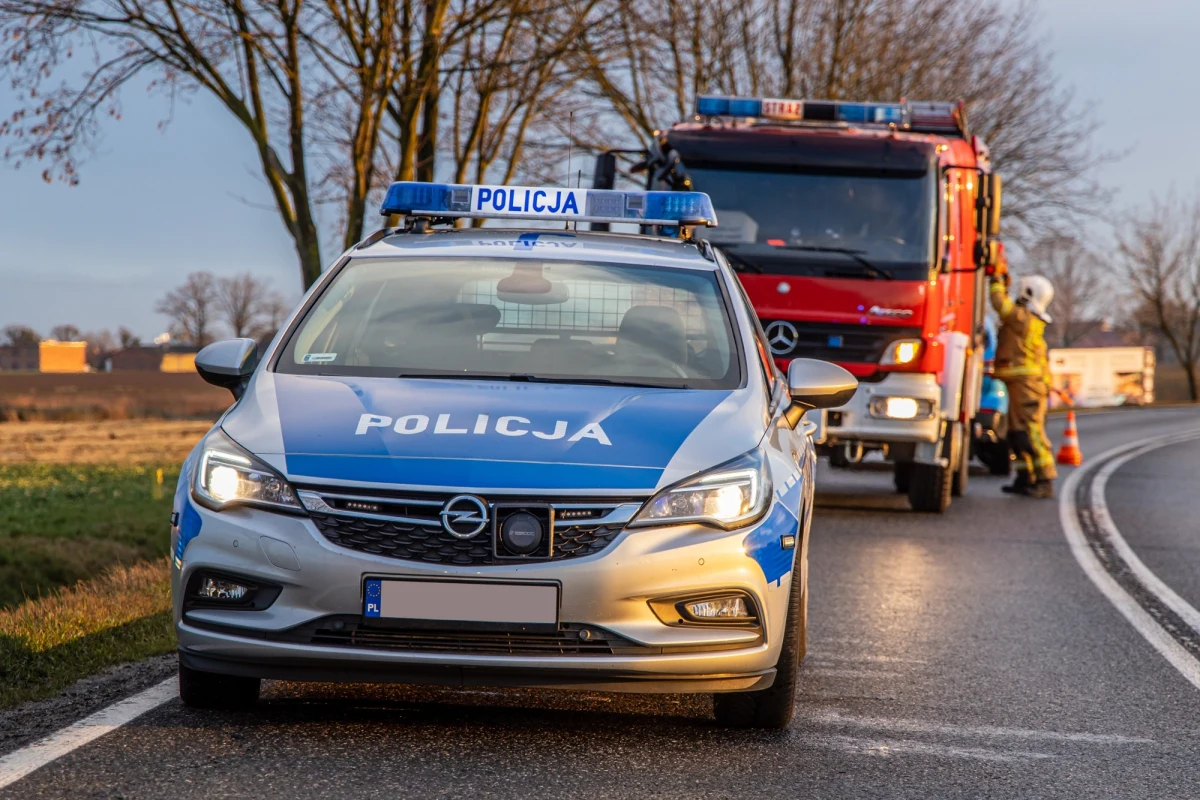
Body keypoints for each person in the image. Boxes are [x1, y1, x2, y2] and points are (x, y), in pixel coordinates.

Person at [990, 247, 1057, 498]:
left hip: (1027, 387)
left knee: (1031, 433)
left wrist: (996, 279)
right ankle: (1024, 477)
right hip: (1020, 385)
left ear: (1029, 293)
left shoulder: (1023, 319)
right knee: (1016, 434)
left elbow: (999, 304)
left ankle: (1045, 479)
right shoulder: (1025, 318)